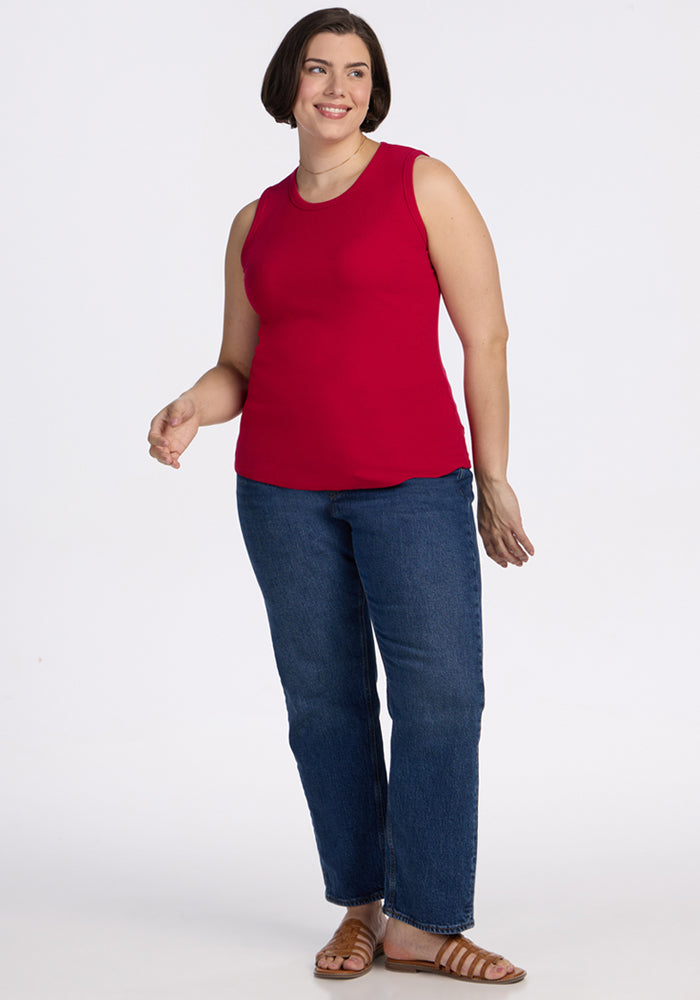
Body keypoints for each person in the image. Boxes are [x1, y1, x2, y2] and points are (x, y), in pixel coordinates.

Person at [148, 7, 533, 985]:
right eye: (317, 69)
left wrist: (490, 473)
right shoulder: (256, 221)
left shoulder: (422, 183)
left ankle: (425, 917)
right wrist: (194, 403)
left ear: (374, 88)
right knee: (323, 705)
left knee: (443, 698)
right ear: (287, 85)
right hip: (280, 493)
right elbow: (242, 362)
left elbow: (483, 337)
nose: (336, 87)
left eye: (355, 72)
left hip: (412, 486)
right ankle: (361, 907)